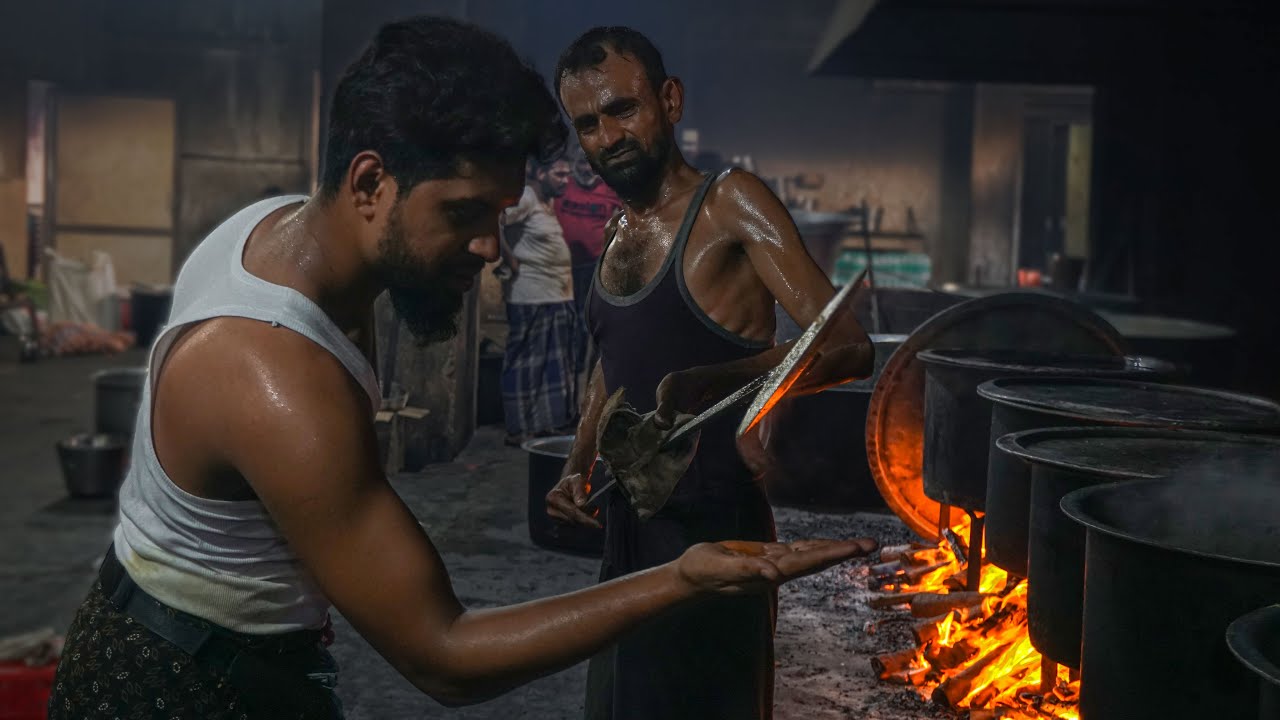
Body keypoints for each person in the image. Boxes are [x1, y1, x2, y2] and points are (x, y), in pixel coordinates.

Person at [46, 16, 876, 720]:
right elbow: (443, 654)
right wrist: (682, 579)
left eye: (500, 214)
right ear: (370, 182)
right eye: (464, 213)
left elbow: (835, 341)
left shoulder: (275, 229)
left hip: (221, 647)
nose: (489, 250)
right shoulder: (275, 376)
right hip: (183, 685)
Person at [547, 26, 874, 720]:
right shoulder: (616, 232)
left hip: (714, 527)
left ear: (669, 100)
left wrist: (724, 379)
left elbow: (846, 346)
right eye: (588, 124)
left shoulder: (729, 202)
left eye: (623, 109)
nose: (608, 136)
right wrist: (577, 463)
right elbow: (613, 367)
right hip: (628, 527)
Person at [496, 156, 579, 446]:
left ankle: (545, 426)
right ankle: (519, 430)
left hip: (556, 294)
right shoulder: (527, 198)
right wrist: (509, 259)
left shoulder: (548, 201)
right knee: (526, 366)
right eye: (559, 174)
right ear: (540, 173)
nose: (565, 180)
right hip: (531, 295)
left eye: (567, 174)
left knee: (552, 368)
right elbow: (496, 221)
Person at [554, 143, 622, 373]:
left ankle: (584, 370)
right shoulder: (563, 185)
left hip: (593, 267)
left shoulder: (609, 190)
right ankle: (566, 368)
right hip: (561, 267)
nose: (586, 169)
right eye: (581, 163)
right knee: (564, 322)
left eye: (590, 164)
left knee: (588, 322)